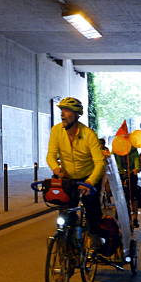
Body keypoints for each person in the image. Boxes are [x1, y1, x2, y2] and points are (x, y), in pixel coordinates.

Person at [46, 97, 105, 242]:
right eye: (62, 110)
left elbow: (99, 162)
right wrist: (56, 169)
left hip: (88, 178)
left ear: (77, 114)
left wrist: (90, 182)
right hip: (68, 179)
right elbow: (51, 155)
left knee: (93, 211)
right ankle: (70, 242)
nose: (62, 114)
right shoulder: (56, 131)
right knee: (65, 213)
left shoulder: (88, 135)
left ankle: (95, 238)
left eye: (67, 111)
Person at [115, 145, 141, 227]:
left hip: (131, 174)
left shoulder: (133, 150)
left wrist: (136, 168)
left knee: (134, 195)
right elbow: (112, 161)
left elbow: (136, 160)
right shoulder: (115, 150)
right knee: (118, 195)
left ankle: (135, 218)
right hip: (119, 175)